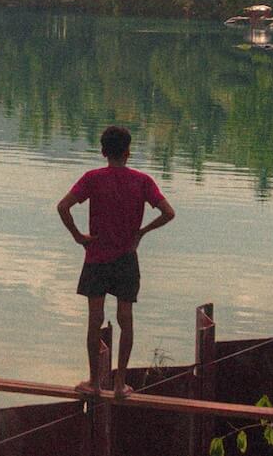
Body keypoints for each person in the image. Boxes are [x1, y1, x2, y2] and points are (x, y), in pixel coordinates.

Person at [56, 125, 175, 399]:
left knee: (94, 321)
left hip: (96, 257)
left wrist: (78, 237)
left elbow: (63, 207)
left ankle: (96, 384)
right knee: (126, 320)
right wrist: (142, 232)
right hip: (126, 259)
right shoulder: (142, 181)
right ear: (128, 152)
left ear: (103, 152)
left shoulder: (92, 178)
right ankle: (120, 384)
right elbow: (169, 212)